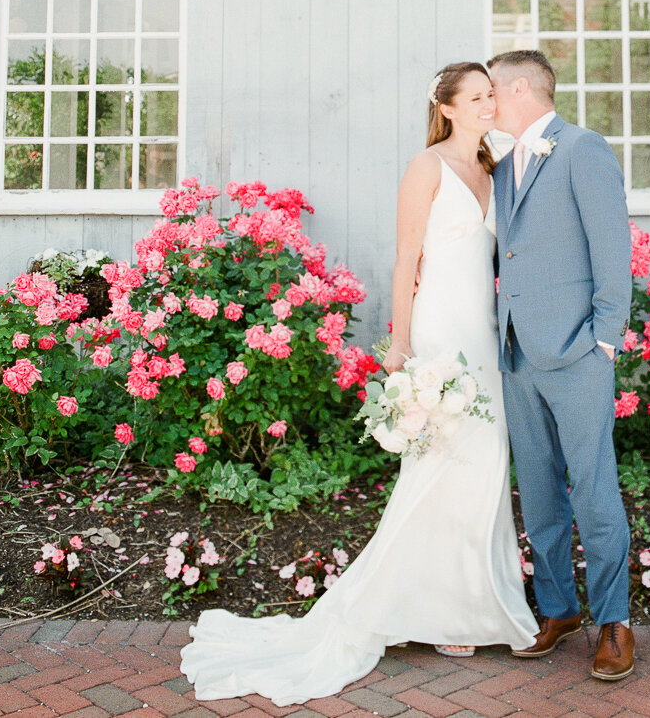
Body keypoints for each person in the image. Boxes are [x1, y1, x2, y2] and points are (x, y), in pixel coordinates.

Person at [180, 62, 537, 705]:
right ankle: (427, 609)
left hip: (484, 334)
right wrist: (400, 341)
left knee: (484, 462)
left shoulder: (494, 166)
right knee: (437, 463)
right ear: (449, 108)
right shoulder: (426, 167)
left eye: (493, 94)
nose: (491, 104)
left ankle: (479, 603)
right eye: (479, 96)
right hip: (438, 333)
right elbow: (406, 257)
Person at [487, 50, 634, 683]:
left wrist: (603, 341)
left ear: (520, 88)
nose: (487, 101)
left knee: (594, 487)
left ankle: (614, 621)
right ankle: (557, 609)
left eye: (492, 90)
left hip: (576, 353)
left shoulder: (581, 148)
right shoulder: (500, 163)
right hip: (517, 354)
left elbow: (613, 251)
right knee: (540, 491)